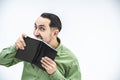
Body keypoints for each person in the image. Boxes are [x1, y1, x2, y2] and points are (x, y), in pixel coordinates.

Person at [0, 13, 81, 80]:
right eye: (35, 27)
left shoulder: (70, 59)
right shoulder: (28, 46)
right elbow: (2, 61)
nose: (35, 33)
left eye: (42, 29)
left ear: (55, 33)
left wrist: (54, 74)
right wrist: (15, 48)